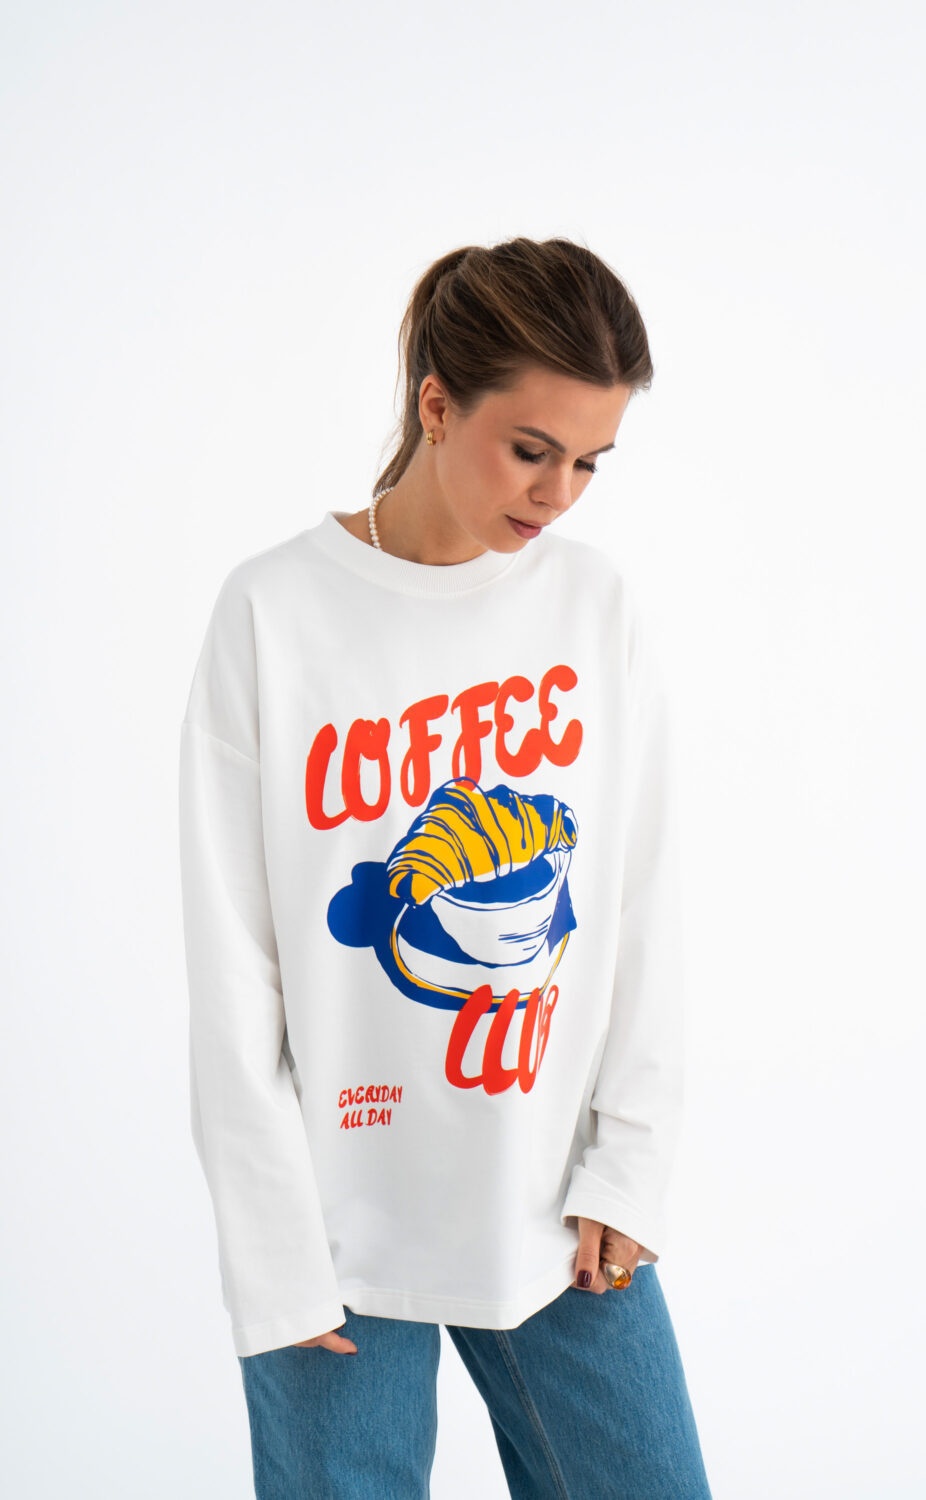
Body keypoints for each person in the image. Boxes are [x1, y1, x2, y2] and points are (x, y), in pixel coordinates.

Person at [179, 236, 712, 1498]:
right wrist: (272, 1254)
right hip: (335, 1230)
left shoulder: (593, 608)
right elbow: (234, 965)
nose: (560, 493)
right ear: (435, 403)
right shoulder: (274, 613)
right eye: (531, 449)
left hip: (557, 1205)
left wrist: (632, 1162)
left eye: (590, 461)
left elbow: (641, 904)